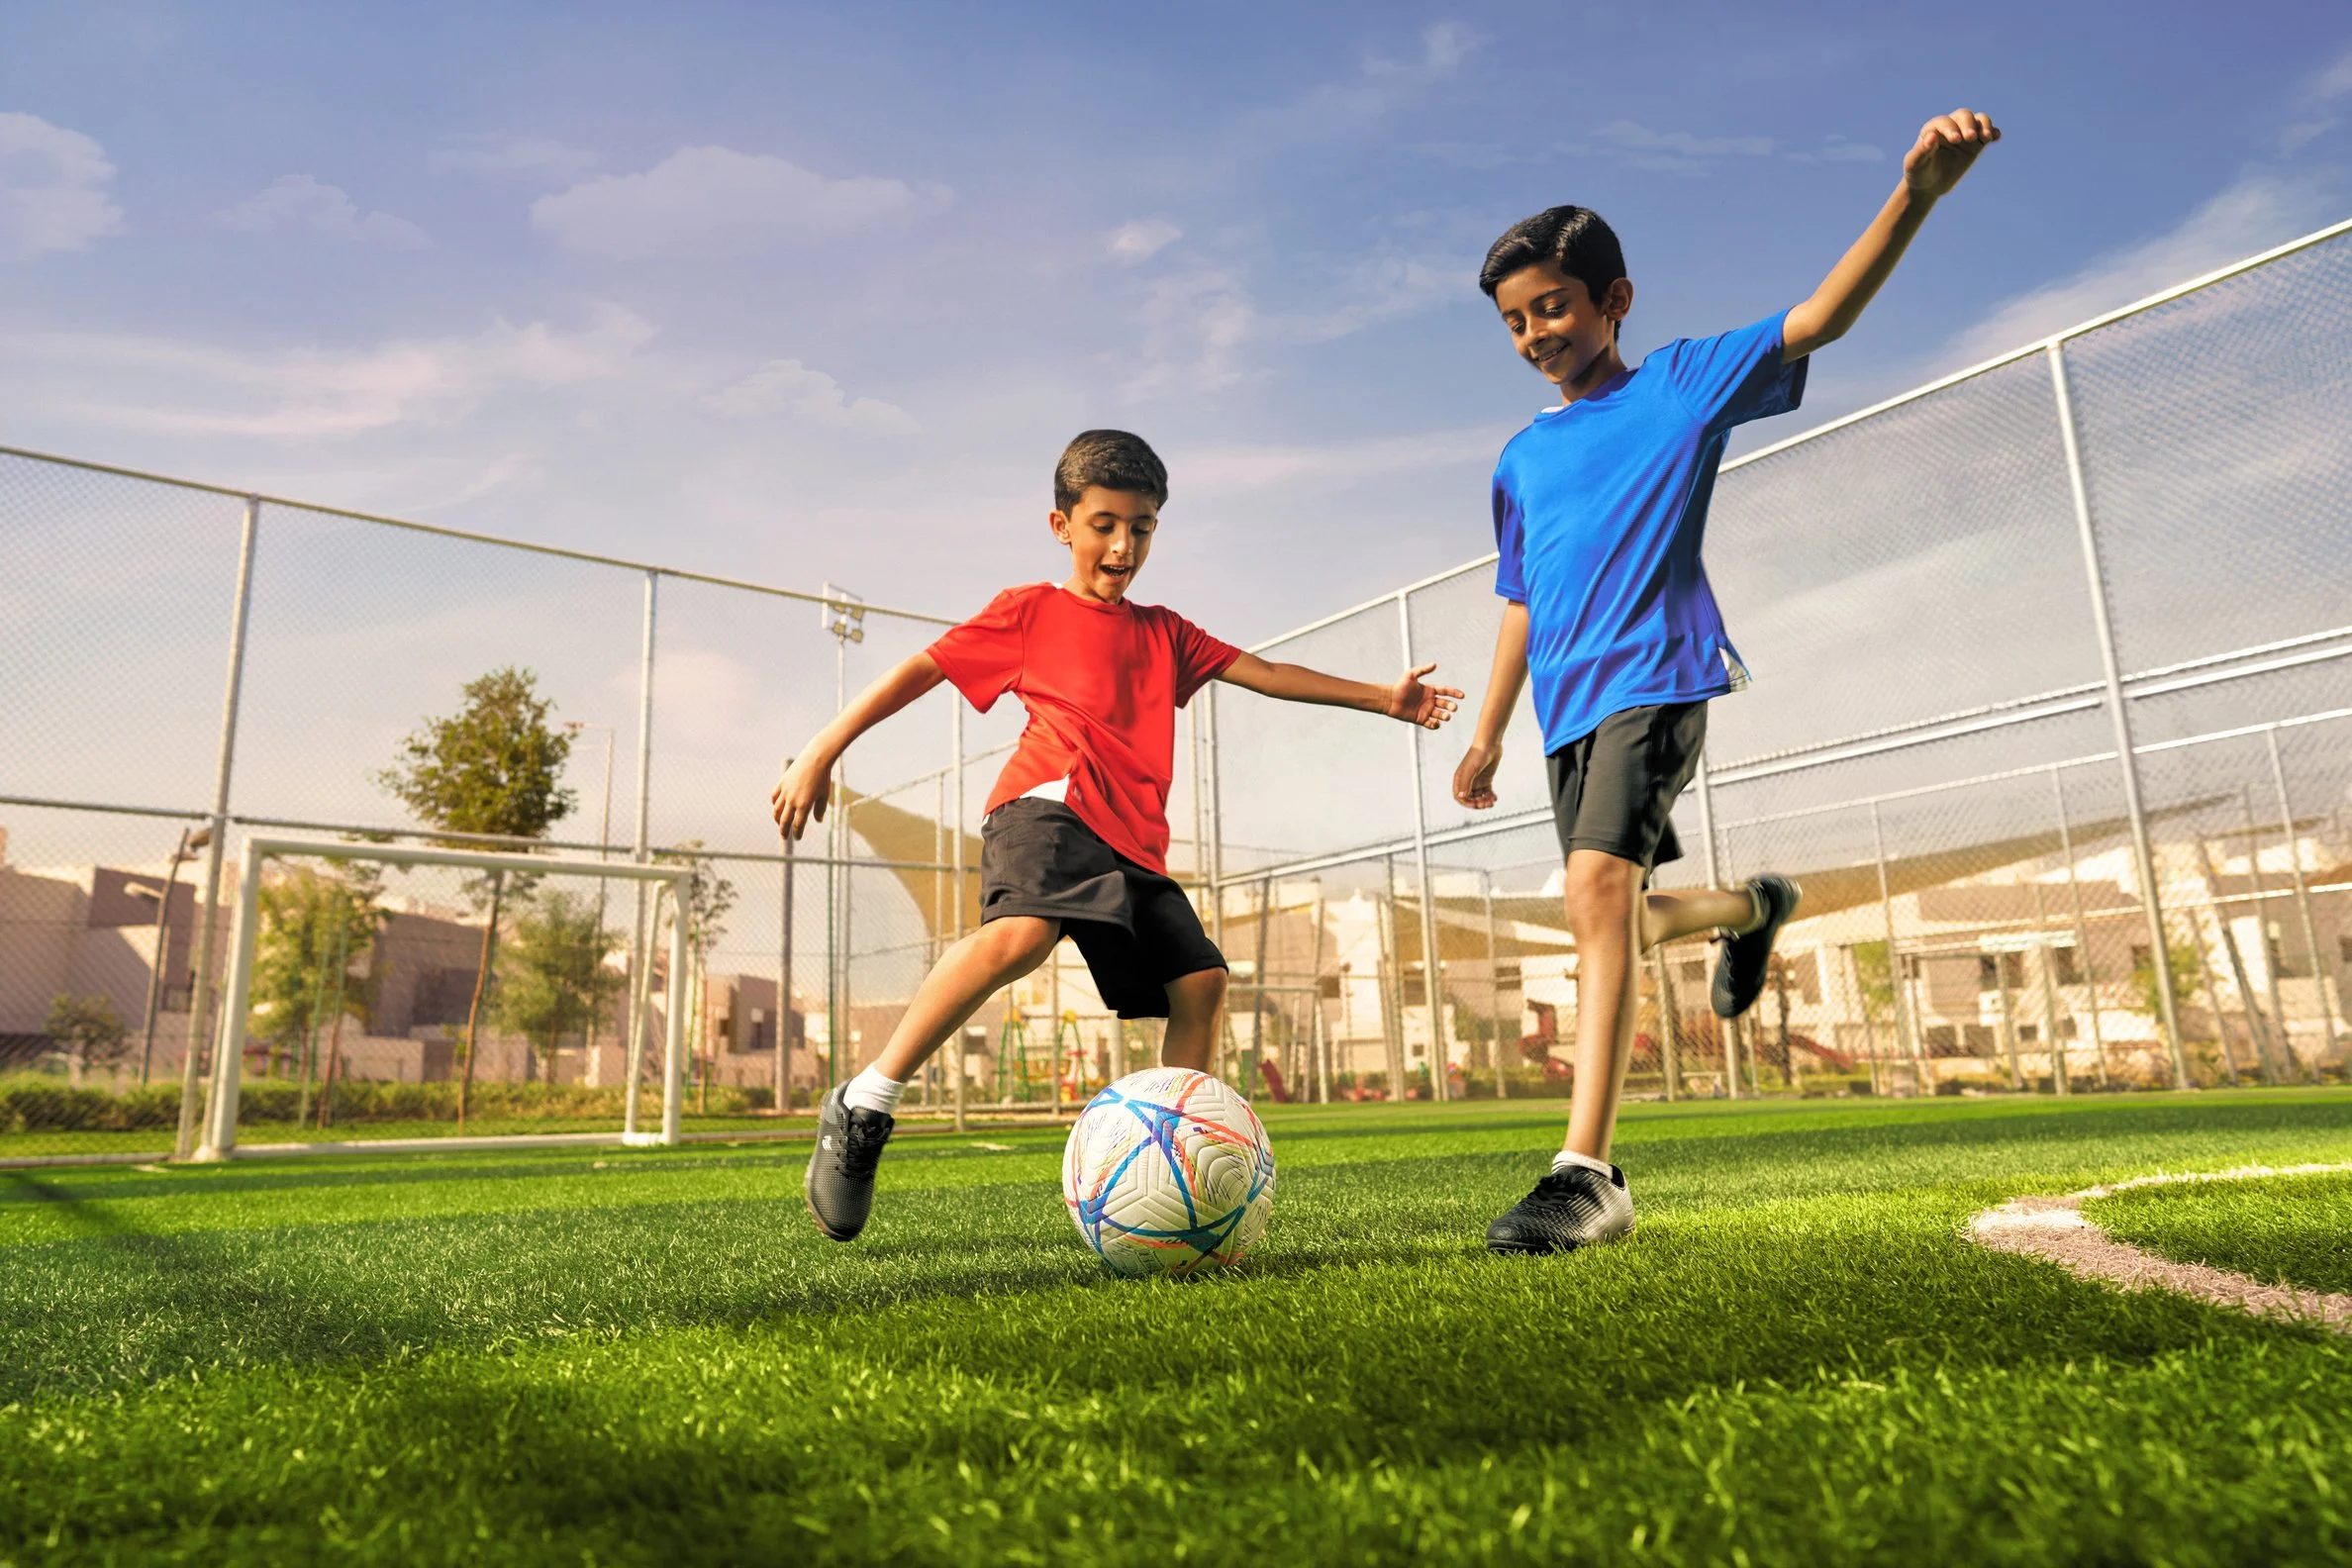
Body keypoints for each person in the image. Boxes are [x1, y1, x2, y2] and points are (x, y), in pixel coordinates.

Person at [1453, 109, 2002, 1255]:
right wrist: (1490, 731)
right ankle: (1759, 910)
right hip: (1565, 708)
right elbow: (1520, 598)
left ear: (1615, 300)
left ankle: (1587, 1172)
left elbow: (1821, 318)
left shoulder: (1684, 385)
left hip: (1658, 678)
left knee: (1595, 899)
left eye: (1553, 306)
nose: (1535, 333)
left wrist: (1918, 196)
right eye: (1514, 320)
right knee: (1621, 910)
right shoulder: (1519, 458)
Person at [773, 429, 1462, 1241]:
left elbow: (1268, 674)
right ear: (1062, 525)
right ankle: (865, 1103)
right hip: (1046, 806)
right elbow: (917, 671)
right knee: (1024, 932)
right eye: (1104, 523)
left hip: (1133, 843)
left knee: (1201, 983)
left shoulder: (1167, 632)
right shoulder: (1027, 612)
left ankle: (1177, 1163)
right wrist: (822, 748)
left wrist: (1384, 698)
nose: (1123, 544)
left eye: (1142, 527)